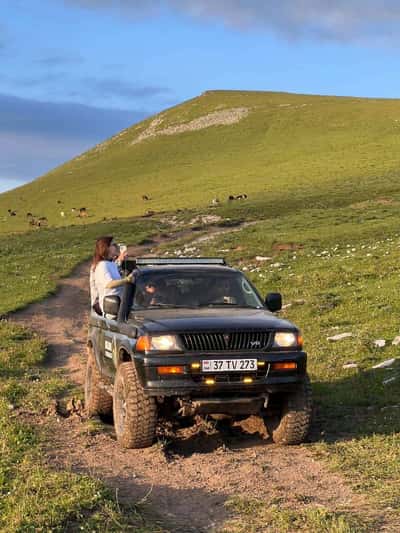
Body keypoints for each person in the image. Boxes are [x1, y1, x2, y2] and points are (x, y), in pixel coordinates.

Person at [90, 236, 133, 314]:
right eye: (113, 244)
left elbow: (116, 271)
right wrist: (127, 279)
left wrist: (120, 259)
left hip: (119, 307)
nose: (116, 246)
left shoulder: (110, 263)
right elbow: (109, 284)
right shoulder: (102, 265)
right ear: (106, 248)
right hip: (111, 308)